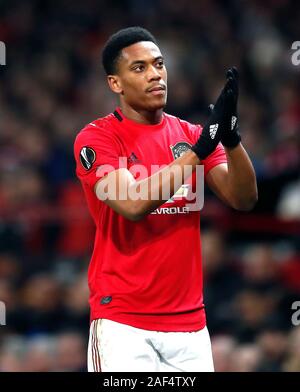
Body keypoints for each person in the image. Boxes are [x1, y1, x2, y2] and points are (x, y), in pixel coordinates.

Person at [73, 26, 257, 372]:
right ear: (115, 83)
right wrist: (199, 151)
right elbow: (132, 204)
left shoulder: (188, 133)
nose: (155, 74)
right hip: (124, 323)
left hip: (190, 325)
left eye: (159, 64)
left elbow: (243, 198)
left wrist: (231, 140)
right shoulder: (97, 139)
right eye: (139, 68)